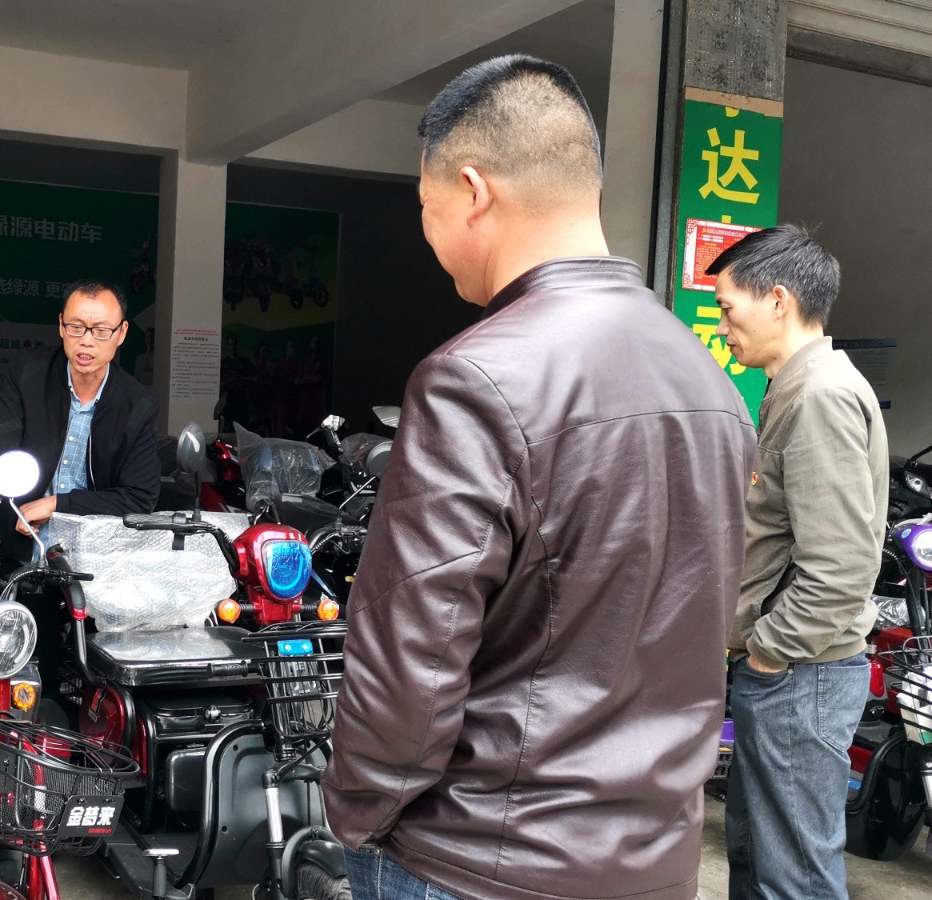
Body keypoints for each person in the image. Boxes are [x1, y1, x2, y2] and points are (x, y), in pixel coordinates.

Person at [324, 55, 756, 900]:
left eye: (426, 207)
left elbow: (411, 664)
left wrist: (356, 812)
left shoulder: (474, 378)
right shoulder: (709, 380)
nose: (428, 235)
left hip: (481, 857)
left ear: (472, 191)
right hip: (654, 862)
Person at [709, 225, 887, 899]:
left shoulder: (819, 395)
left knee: (792, 878)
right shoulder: (796, 386)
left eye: (728, 309)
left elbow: (839, 568)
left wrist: (768, 653)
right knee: (760, 861)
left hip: (800, 674)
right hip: (792, 672)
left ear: (778, 300)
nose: (723, 327)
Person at [0, 279, 160, 575]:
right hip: (21, 553)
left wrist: (59, 504)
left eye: (101, 331)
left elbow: (139, 497)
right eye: (76, 327)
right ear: (61, 326)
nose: (86, 341)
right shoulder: (28, 373)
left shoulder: (138, 404)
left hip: (99, 564)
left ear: (121, 333)